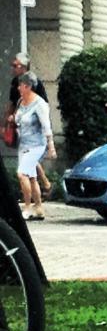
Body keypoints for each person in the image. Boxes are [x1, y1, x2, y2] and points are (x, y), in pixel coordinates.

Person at [9, 72, 56, 220]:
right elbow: (18, 120)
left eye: (20, 85)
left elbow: (46, 126)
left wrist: (51, 145)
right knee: (32, 177)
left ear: (28, 86)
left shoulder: (40, 104)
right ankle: (39, 208)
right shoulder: (21, 102)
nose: (18, 88)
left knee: (22, 174)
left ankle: (28, 207)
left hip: (37, 145)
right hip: (24, 144)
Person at [5, 52, 52, 197]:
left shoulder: (33, 82)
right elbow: (13, 102)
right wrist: (7, 120)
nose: (13, 68)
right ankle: (39, 188)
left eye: (15, 65)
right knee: (28, 158)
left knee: (28, 160)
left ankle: (43, 185)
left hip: (34, 129)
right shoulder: (15, 82)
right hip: (21, 125)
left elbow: (43, 106)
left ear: (23, 67)